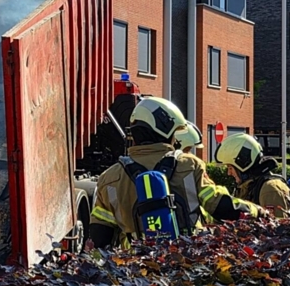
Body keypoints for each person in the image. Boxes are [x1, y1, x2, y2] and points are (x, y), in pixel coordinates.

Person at [87, 97, 261, 249]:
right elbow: (220, 206)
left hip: (134, 269)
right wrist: (257, 211)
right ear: (166, 129)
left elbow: (99, 237)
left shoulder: (109, 178)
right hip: (185, 263)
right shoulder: (188, 165)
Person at [215, 133, 290, 219]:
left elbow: (277, 225)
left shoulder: (270, 189)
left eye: (230, 168)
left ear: (243, 163)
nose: (229, 173)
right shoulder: (247, 187)